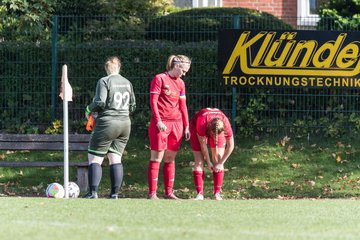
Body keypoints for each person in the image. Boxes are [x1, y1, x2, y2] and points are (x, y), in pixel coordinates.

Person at [84, 56, 136, 199]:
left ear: (106, 68)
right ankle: (114, 194)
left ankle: (93, 192)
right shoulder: (127, 82)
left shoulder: (104, 81)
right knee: (116, 158)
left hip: (108, 123)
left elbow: (100, 102)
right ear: (119, 67)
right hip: (125, 123)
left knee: (95, 158)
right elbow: (133, 105)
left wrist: (88, 109)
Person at [147, 54, 192, 200]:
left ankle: (168, 192)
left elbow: (183, 106)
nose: (184, 74)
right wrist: (158, 120)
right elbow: (153, 101)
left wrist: (186, 126)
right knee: (157, 157)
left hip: (176, 124)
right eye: (183, 71)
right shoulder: (159, 78)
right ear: (177, 66)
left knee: (170, 158)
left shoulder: (181, 83)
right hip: (161, 123)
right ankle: (152, 193)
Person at [189, 108, 234, 200]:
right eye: (212, 134)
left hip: (216, 127)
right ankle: (200, 194)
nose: (214, 137)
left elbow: (231, 146)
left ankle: (217, 193)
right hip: (196, 127)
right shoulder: (202, 122)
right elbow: (203, 145)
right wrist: (208, 161)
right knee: (199, 161)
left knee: (218, 158)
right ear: (209, 130)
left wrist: (221, 163)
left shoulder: (225, 123)